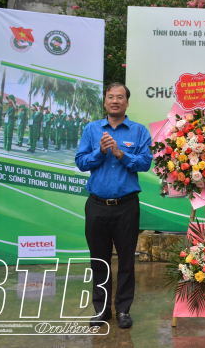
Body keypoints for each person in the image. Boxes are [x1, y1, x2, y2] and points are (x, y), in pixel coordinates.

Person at [75, 82, 153, 329]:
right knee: (99, 260)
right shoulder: (91, 129)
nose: (115, 101)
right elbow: (80, 162)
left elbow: (145, 163)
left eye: (120, 97)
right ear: (105, 102)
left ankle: (123, 311)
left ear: (127, 102)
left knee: (127, 261)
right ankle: (102, 310)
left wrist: (121, 154)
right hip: (96, 206)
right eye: (111, 97)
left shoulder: (139, 131)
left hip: (126, 207)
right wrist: (100, 152)